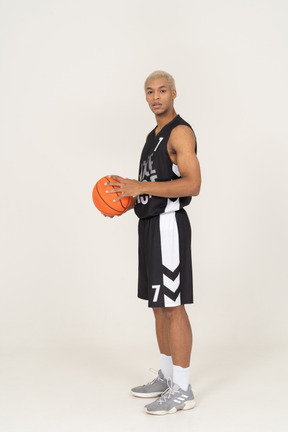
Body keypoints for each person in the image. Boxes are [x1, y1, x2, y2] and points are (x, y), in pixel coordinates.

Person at [105, 70, 201, 415]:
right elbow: (150, 184)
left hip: (169, 227)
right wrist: (125, 201)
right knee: (158, 305)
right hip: (149, 226)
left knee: (173, 306)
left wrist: (140, 188)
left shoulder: (180, 133)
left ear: (174, 93)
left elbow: (192, 184)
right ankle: (166, 374)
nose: (156, 96)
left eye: (162, 90)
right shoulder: (153, 135)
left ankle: (184, 388)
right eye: (150, 91)